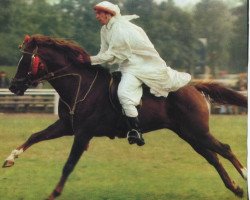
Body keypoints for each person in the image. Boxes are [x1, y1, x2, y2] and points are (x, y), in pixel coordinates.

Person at [90, 1, 191, 146]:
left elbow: (112, 55)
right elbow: (103, 52)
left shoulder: (120, 29)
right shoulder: (105, 30)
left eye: (99, 13)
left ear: (108, 14)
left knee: (124, 94)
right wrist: (91, 60)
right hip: (125, 65)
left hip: (138, 67)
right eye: (96, 13)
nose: (97, 16)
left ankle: (135, 130)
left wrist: (89, 60)